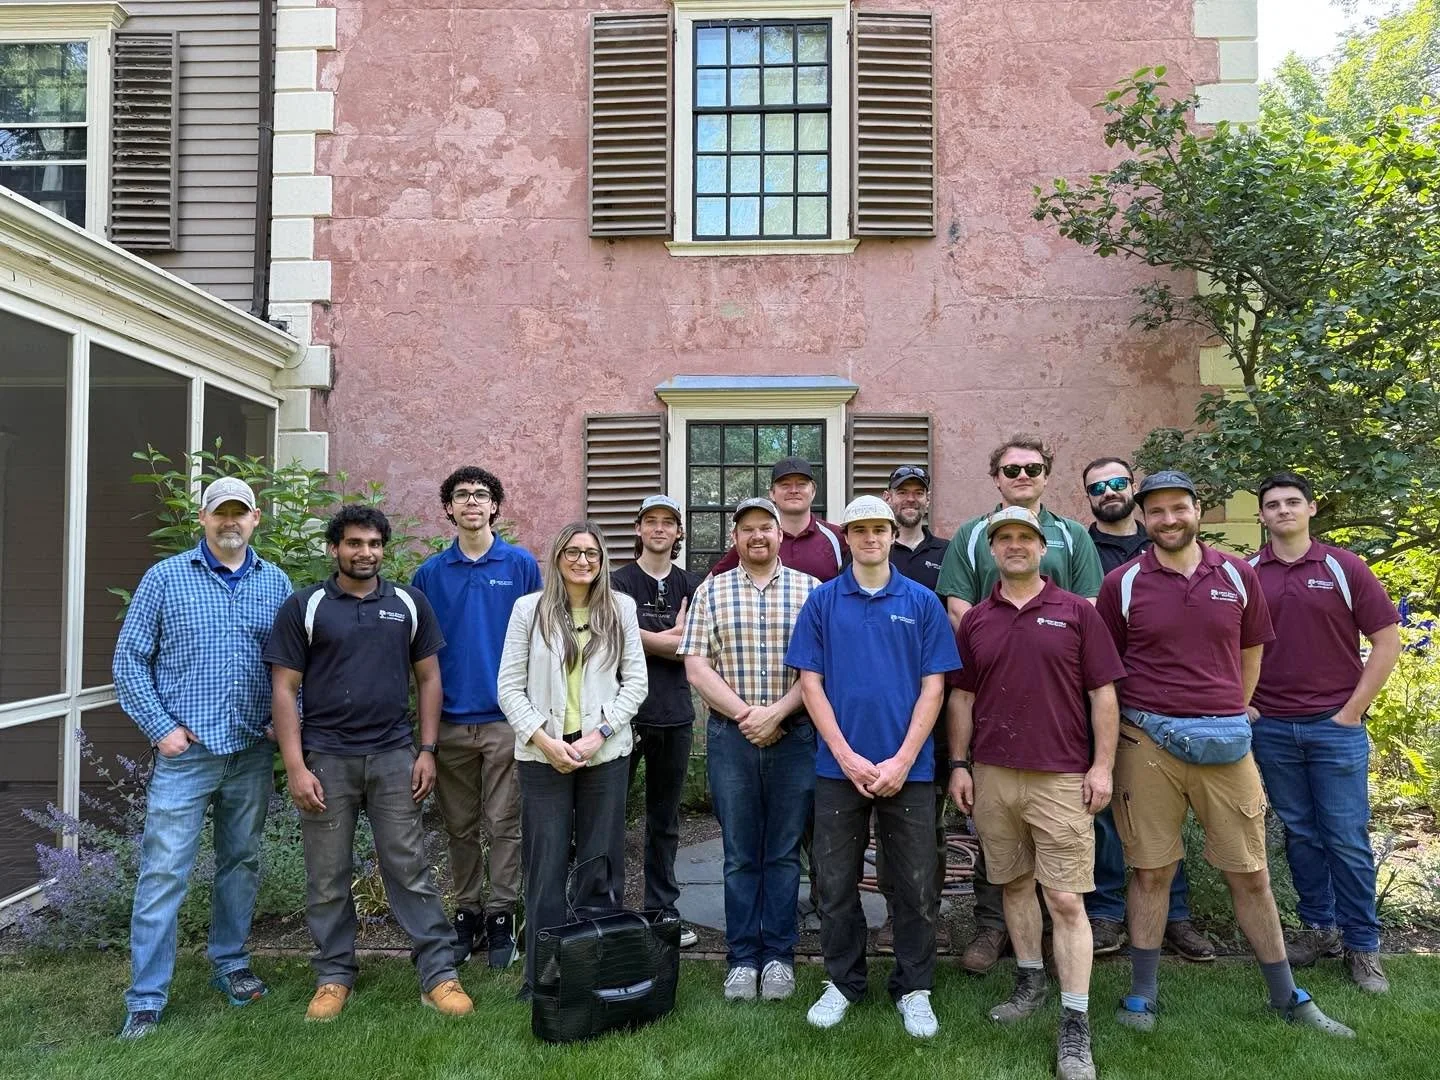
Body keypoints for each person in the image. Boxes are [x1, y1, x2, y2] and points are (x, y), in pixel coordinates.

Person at [1097, 471, 1352, 1037]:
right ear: (1146, 518)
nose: (1168, 519)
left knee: (1251, 873)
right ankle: (1142, 993)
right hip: (1147, 743)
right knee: (1150, 871)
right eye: (1157, 511)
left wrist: (1231, 709)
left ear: (1197, 511)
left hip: (1225, 744)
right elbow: (1107, 667)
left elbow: (1251, 648)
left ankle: (1285, 995)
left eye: (1179, 508)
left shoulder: (1236, 575)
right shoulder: (1124, 583)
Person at [267, 506, 472, 1022]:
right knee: (328, 874)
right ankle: (334, 976)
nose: (366, 553)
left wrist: (426, 750)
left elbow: (429, 679)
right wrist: (296, 766)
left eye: (375, 544)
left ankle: (439, 975)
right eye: (355, 543)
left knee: (408, 867)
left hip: (393, 756)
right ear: (334, 548)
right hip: (327, 760)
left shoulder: (407, 602)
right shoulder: (306, 606)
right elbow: (284, 689)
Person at [948, 506, 1125, 1080]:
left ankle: (1076, 1024)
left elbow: (1103, 695)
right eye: (1006, 539)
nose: (1016, 546)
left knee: (1067, 900)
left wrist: (1102, 767)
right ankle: (1029, 980)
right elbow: (963, 699)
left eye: (1026, 537)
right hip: (995, 775)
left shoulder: (1077, 612)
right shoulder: (976, 619)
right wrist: (959, 764)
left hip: (1062, 776)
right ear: (993, 550)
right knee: (1013, 884)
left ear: (1043, 547)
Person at [113, 478, 293, 1040]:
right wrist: (161, 728)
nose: (230, 522)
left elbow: (291, 666)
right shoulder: (165, 579)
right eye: (221, 514)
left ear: (255, 519)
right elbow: (129, 660)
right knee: (164, 872)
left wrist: (283, 719)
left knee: (241, 862)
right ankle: (145, 997)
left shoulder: (276, 582)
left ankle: (231, 963)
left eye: (240, 513)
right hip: (187, 755)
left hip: (251, 751)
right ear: (203, 518)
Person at [786, 495, 959, 1038]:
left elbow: (936, 686)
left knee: (913, 885)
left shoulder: (924, 602)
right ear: (849, 537)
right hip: (839, 769)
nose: (869, 538)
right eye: (858, 529)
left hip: (911, 769)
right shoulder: (822, 603)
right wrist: (844, 754)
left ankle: (914, 987)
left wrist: (905, 758)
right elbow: (809, 683)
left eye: (878, 529)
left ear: (890, 534)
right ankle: (843, 981)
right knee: (834, 883)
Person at [937, 434, 1104, 974]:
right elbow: (958, 604)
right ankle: (997, 935)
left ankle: (1063, 950)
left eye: (1033, 468)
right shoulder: (970, 535)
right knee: (1003, 860)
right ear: (997, 478)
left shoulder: (1073, 536)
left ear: (1047, 475)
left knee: (1061, 878)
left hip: (1057, 715)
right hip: (991, 700)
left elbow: (1089, 612)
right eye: (1011, 469)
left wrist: (1035, 641)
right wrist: (1001, 641)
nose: (1022, 476)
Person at [1248, 472, 1401, 992]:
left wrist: (1353, 711)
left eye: (1293, 502)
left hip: (1334, 727)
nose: (1283, 510)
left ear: (1312, 509)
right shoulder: (1248, 573)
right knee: (1301, 835)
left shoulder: (1343, 566)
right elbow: (1226, 646)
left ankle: (1363, 946)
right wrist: (1244, 703)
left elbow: (1386, 639)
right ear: (1262, 516)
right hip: (1271, 728)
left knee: (1347, 838)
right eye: (1273, 504)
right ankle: (1319, 931)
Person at [497, 521, 647, 999]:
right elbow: (509, 687)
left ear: (602, 562)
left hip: (604, 754)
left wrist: (597, 734)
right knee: (545, 866)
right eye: (573, 552)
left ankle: (597, 968)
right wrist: (546, 741)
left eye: (592, 553)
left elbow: (635, 684)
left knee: (600, 864)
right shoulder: (528, 610)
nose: (583, 561)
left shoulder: (620, 609)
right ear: (557, 557)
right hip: (543, 759)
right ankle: (542, 975)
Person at [678, 497, 819, 1002]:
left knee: (783, 853)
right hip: (730, 737)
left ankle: (779, 956)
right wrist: (748, 716)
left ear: (781, 534)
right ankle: (741, 958)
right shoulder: (711, 592)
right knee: (739, 853)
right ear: (734, 539)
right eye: (747, 530)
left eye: (766, 528)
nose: (757, 536)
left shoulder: (811, 591)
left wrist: (777, 713)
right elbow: (697, 665)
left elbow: (819, 670)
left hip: (795, 736)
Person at [1080, 457, 1211, 962]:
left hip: (1177, 705)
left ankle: (1175, 916)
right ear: (1089, 496)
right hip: (1113, 703)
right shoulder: (1080, 547)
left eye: (1117, 483)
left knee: (1169, 817)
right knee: (1109, 811)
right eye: (1098, 487)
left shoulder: (1165, 540)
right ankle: (1108, 912)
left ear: (1132, 489)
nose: (1109, 492)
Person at [410, 467, 540, 968]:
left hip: (507, 719)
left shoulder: (522, 565)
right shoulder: (429, 575)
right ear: (448, 509)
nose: (471, 502)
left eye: (481, 495)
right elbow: (419, 655)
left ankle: (502, 916)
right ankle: (466, 913)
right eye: (461, 496)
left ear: (495, 508)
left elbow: (540, 638)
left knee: (504, 823)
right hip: (448, 722)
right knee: (459, 827)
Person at [611, 495, 702, 948]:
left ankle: (661, 910)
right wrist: (665, 639)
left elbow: (696, 643)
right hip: (620, 715)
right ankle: (601, 909)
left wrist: (642, 637)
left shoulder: (694, 583)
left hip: (673, 713)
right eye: (652, 522)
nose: (660, 529)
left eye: (669, 522)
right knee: (605, 816)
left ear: (679, 532)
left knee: (664, 820)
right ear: (639, 529)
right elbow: (613, 634)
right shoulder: (618, 582)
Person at [878, 464, 952, 952]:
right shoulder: (870, 551)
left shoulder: (946, 555)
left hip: (932, 705)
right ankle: (890, 915)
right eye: (901, 492)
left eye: (917, 492)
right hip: (880, 709)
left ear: (926, 500)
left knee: (928, 823)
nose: (909, 499)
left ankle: (931, 913)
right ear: (888, 498)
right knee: (885, 824)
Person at [707, 457, 847, 582]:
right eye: (785, 485)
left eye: (801, 484)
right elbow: (709, 584)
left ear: (813, 491)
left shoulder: (838, 538)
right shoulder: (756, 542)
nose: (793, 490)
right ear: (772, 493)